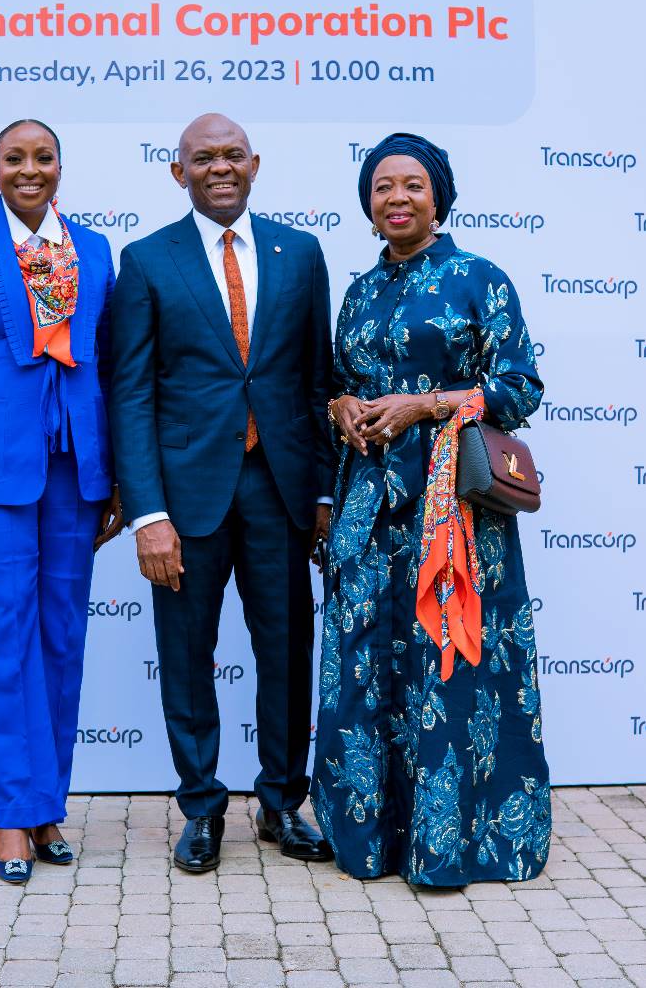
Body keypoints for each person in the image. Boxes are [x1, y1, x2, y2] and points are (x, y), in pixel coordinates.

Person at [312, 132, 550, 886]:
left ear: (438, 198)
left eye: (412, 185)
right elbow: (337, 380)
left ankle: (448, 846)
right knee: (365, 661)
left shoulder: (480, 278)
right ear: (368, 205)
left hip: (454, 514)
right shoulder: (359, 291)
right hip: (367, 509)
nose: (397, 198)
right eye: (383, 187)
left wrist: (426, 405)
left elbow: (519, 387)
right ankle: (369, 839)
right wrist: (343, 406)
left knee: (445, 662)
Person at [110, 113, 335, 872]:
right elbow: (131, 395)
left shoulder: (301, 254)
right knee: (186, 653)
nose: (220, 168)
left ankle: (282, 803)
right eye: (203, 158)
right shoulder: (146, 260)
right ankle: (201, 807)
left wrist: (323, 494)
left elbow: (315, 383)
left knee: (287, 650)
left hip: (281, 490)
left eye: (232, 155)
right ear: (179, 172)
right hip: (185, 498)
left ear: (255, 164)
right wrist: (147, 513)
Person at [0, 119, 123, 883]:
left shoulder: (93, 248)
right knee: (4, 642)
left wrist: (117, 479)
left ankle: (46, 808)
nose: (29, 169)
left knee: (62, 641)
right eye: (15, 158)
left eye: (43, 157)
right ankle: (9, 814)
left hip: (76, 470)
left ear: (60, 167)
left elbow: (109, 366)